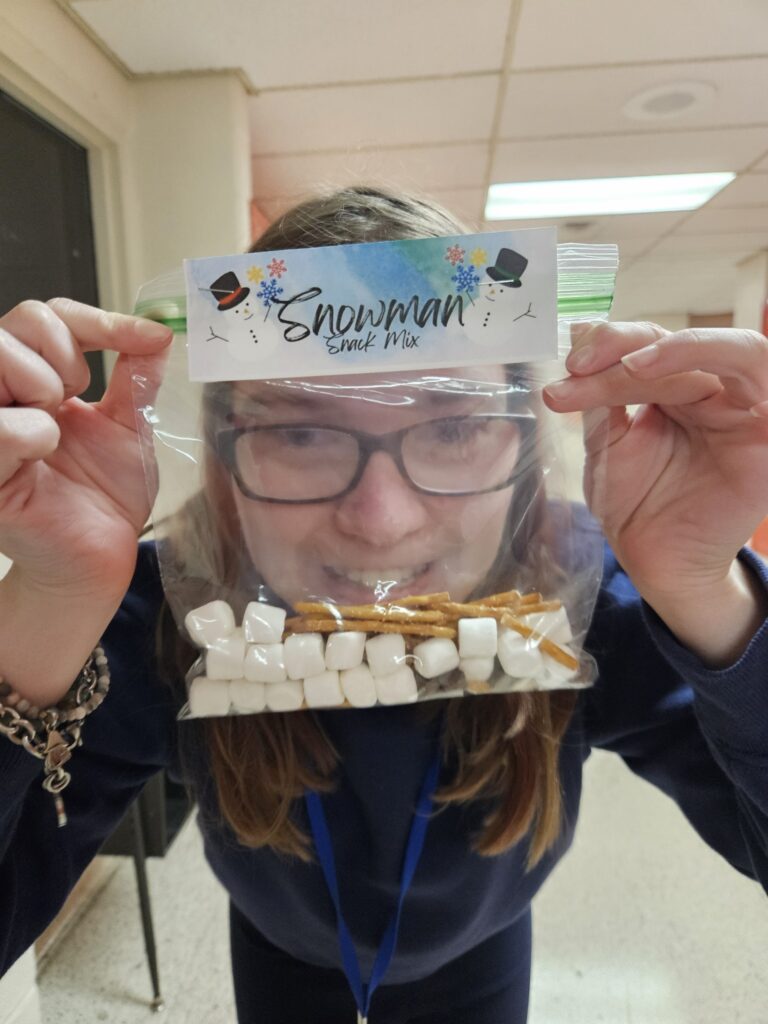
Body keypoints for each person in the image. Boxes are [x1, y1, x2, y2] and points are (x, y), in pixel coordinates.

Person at [1, 186, 767, 1024]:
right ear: (223, 451)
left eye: (453, 428)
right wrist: (49, 597)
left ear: (522, 440)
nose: (381, 522)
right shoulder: (164, 609)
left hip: (479, 955)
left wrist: (703, 589)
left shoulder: (587, 598)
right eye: (299, 432)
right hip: (280, 950)